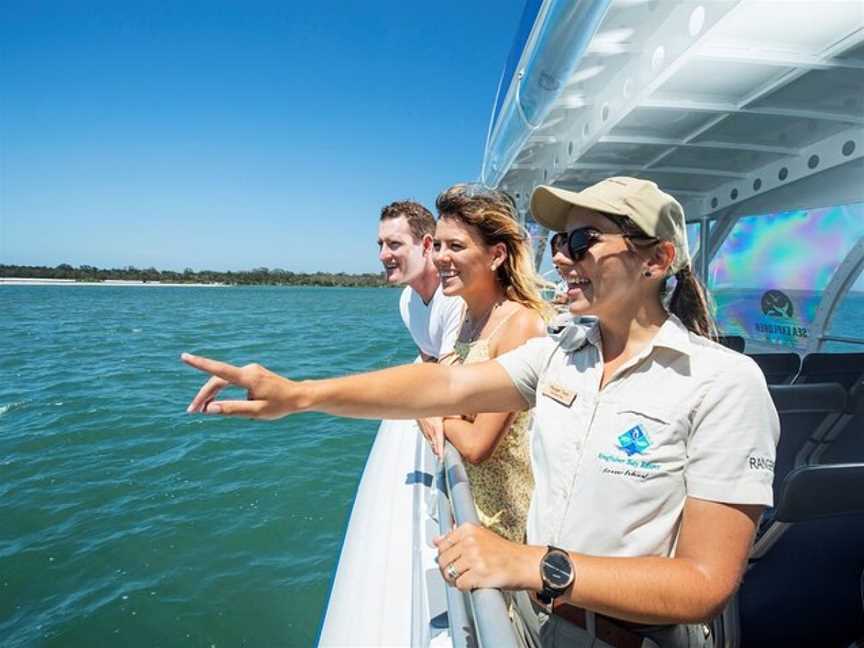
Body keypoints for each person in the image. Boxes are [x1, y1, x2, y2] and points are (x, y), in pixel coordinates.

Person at [183, 177, 779, 648]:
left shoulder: (723, 383)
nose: (563, 260)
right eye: (557, 243)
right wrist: (301, 394)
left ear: (656, 260)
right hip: (534, 617)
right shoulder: (560, 356)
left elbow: (706, 584)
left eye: (581, 241)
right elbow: (442, 388)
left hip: (627, 636)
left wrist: (529, 563)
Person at [420, 183, 548, 543]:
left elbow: (478, 444)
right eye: (439, 245)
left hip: (504, 520)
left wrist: (431, 410)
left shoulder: (519, 324)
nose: (441, 257)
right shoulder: (465, 314)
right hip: (469, 507)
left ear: (496, 256)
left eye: (456, 246)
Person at [377, 200, 463, 362]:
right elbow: (428, 356)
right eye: (381, 245)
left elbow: (451, 377)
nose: (382, 255)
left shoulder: (457, 297)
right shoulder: (406, 299)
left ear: (427, 245)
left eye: (394, 244)